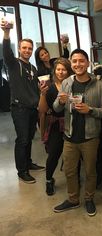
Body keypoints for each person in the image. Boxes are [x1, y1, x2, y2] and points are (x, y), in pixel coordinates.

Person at [53, 49, 102, 216]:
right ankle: (72, 199)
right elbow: (56, 108)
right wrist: (60, 101)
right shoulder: (66, 83)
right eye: (75, 61)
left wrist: (90, 110)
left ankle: (89, 199)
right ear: (71, 63)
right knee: (69, 171)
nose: (78, 64)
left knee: (90, 171)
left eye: (81, 60)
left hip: (90, 137)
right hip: (70, 135)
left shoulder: (98, 85)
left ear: (88, 63)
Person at [1, 19, 45, 184]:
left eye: (29, 48)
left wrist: (41, 88)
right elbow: (6, 52)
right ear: (19, 49)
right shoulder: (14, 64)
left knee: (29, 138)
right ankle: (21, 171)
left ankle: (28, 163)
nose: (27, 50)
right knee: (22, 139)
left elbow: (35, 89)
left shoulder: (32, 68)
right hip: (19, 109)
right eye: (24, 48)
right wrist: (6, 33)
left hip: (33, 109)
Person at [38, 58, 73, 195]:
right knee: (53, 154)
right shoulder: (50, 87)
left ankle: (75, 179)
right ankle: (48, 180)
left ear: (68, 71)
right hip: (55, 125)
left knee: (74, 155)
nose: (61, 72)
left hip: (72, 123)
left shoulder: (73, 85)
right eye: (58, 69)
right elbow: (42, 110)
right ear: (54, 71)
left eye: (63, 69)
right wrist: (42, 94)